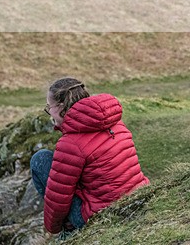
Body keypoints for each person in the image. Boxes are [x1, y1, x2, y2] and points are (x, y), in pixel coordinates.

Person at [30, 78, 149, 236]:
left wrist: (54, 229)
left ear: (60, 107)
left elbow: (58, 198)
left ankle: (71, 230)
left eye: (48, 107)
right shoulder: (116, 123)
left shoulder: (70, 143)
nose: (49, 112)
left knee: (40, 159)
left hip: (102, 213)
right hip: (137, 195)